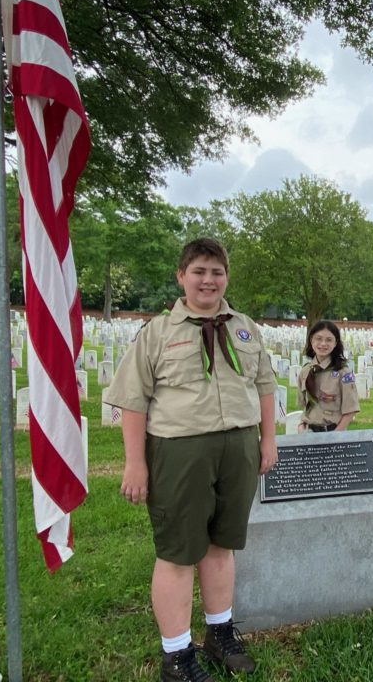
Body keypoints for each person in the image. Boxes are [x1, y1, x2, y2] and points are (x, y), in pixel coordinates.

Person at [104, 238, 278, 682]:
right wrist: (135, 463)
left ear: (226, 278)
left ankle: (220, 635)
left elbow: (263, 387)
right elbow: (132, 401)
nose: (209, 280)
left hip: (238, 447)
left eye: (217, 272)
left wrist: (268, 440)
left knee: (222, 545)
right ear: (182, 276)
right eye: (199, 271)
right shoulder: (158, 332)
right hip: (179, 450)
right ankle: (177, 657)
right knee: (179, 553)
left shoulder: (245, 328)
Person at [296, 319, 360, 432]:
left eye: (329, 340)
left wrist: (335, 434)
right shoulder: (305, 371)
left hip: (333, 432)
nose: (323, 344)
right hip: (308, 433)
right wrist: (301, 424)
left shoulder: (343, 372)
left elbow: (350, 410)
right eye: (318, 339)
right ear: (311, 340)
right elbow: (305, 405)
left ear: (335, 343)